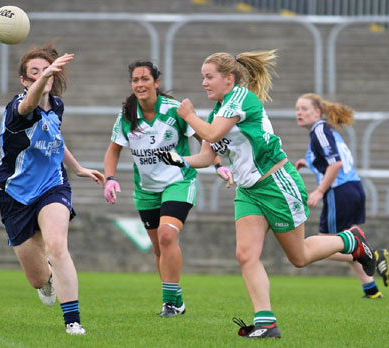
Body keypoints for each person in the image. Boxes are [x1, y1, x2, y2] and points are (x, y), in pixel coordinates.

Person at [155, 50, 377, 339]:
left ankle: (351, 241)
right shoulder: (217, 111)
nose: (204, 83)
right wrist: (177, 159)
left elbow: (210, 133)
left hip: (276, 185)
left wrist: (187, 115)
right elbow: (207, 155)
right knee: (245, 255)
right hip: (248, 192)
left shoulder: (240, 98)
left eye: (209, 77)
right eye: (202, 78)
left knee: (300, 257)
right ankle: (266, 323)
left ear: (229, 78)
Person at [103, 60, 232, 318]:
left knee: (166, 235)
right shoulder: (127, 116)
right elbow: (113, 150)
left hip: (178, 181)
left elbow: (204, 138)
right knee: (159, 248)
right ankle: (177, 297)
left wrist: (218, 165)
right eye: (135, 80)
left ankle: (169, 304)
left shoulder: (174, 110)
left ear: (156, 83)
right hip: (146, 189)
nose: (140, 84)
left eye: (145, 79)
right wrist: (110, 178)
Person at [0, 41, 105, 335]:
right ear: (24, 80)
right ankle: (47, 281)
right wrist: (46, 76)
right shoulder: (17, 109)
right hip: (14, 195)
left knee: (57, 246)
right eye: (35, 72)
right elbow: (30, 105)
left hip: (52, 186)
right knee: (38, 278)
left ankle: (73, 322)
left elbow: (54, 137)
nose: (43, 75)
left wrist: (77, 167)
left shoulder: (57, 105)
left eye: (47, 70)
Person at [294, 93, 389, 296]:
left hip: (340, 192)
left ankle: (373, 255)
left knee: (326, 244)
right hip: (354, 188)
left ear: (318, 112)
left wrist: (320, 191)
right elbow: (334, 158)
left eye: (304, 109)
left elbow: (336, 163)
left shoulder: (319, 130)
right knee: (349, 239)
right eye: (297, 109)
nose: (299, 113)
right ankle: (371, 289)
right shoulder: (325, 131)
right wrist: (307, 162)